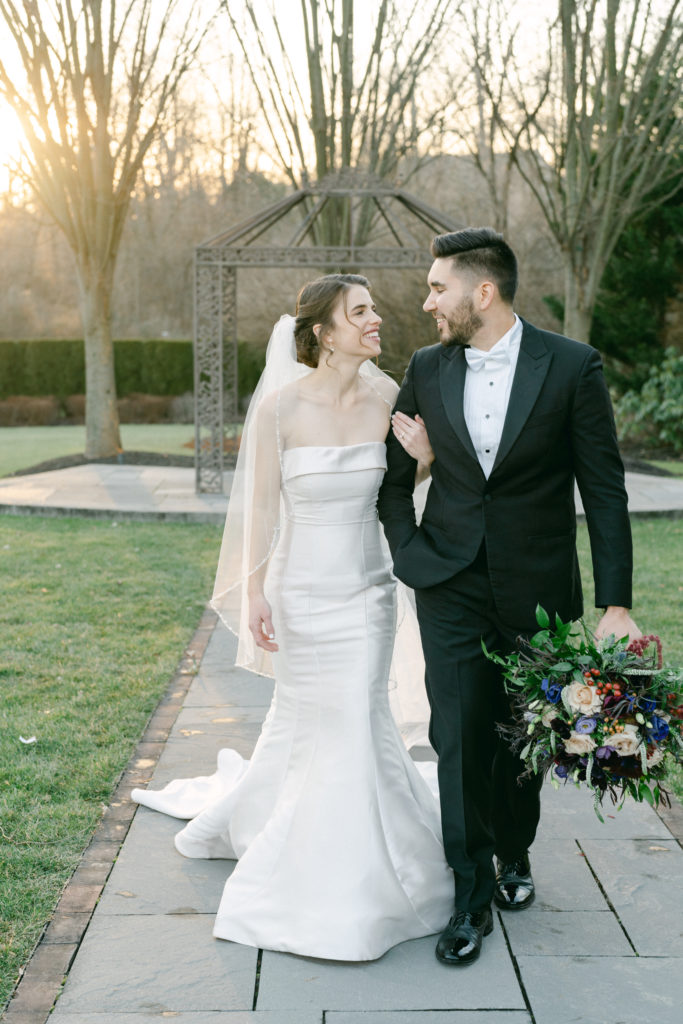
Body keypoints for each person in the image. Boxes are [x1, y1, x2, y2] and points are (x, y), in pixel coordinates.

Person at [132, 274, 453, 961]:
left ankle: (370, 871)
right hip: (301, 592)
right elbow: (260, 511)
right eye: (359, 312)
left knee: (357, 718)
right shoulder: (280, 409)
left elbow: (399, 492)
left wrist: (425, 463)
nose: (376, 320)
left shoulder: (391, 397)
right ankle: (304, 852)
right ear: (324, 333)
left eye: (371, 310)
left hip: (367, 591)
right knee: (314, 722)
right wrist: (254, 594)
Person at [377, 227, 640, 967]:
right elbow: (393, 482)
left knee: (521, 740)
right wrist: (410, 553)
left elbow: (604, 490)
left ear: (480, 292)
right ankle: (468, 897)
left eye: (437, 288)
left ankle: (514, 851)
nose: (427, 300)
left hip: (538, 591)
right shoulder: (425, 367)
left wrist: (613, 600)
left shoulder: (570, 366)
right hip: (449, 583)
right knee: (457, 735)